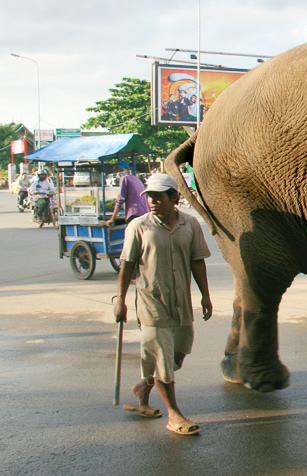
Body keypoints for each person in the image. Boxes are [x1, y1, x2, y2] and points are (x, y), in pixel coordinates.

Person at [114, 173, 212, 436]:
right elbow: (128, 265)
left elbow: (197, 261)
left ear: (174, 198)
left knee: (178, 354)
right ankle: (174, 415)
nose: (153, 201)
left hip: (181, 302)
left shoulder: (190, 224)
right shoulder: (138, 226)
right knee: (162, 358)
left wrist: (205, 295)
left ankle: (143, 388)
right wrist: (120, 301)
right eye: (150, 197)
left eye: (159, 197)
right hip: (151, 303)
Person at [105, 161, 150, 227]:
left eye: (121, 170)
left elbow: (120, 199)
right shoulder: (135, 178)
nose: (119, 172)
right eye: (118, 170)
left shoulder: (124, 178)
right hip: (145, 213)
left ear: (128, 170)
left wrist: (112, 219)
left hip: (134, 214)